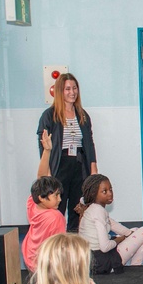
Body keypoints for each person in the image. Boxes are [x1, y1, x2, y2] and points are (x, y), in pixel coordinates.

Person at [36, 73, 97, 232]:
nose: (72, 92)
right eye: (67, 89)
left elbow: (89, 143)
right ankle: (56, 244)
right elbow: (43, 145)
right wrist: (47, 172)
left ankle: (74, 243)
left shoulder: (82, 115)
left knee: (78, 208)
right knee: (57, 208)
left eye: (75, 88)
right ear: (59, 91)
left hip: (78, 165)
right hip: (59, 166)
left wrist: (93, 168)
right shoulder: (49, 115)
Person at [78, 174, 143, 274]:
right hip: (102, 262)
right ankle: (135, 269)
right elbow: (105, 246)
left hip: (93, 260)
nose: (110, 193)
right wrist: (119, 240)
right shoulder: (98, 212)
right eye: (104, 191)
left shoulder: (93, 209)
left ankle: (135, 267)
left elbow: (117, 227)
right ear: (94, 194)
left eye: (110, 189)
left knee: (135, 230)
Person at [22, 173, 66, 271]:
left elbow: (40, 175)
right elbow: (61, 245)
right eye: (56, 195)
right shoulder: (55, 216)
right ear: (41, 198)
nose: (60, 199)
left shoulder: (32, 205)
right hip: (46, 263)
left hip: (30, 256)